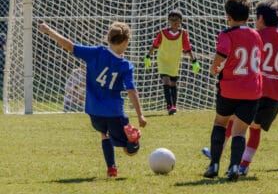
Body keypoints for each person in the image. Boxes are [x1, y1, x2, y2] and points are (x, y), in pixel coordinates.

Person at [202, 0, 278, 175]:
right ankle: (243, 165)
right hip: (274, 96)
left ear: (259, 18)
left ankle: (217, 154)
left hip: (255, 91)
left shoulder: (255, 36)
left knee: (231, 122)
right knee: (255, 129)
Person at [38, 21, 147, 177]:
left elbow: (69, 45)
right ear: (126, 42)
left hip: (94, 111)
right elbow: (131, 90)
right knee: (131, 150)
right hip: (115, 113)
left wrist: (49, 31)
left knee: (105, 134)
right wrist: (140, 115)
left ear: (109, 39)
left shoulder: (96, 53)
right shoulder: (126, 65)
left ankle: (112, 168)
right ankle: (131, 142)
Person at [203, 0, 263, 182]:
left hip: (229, 88)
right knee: (240, 130)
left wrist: (214, 67)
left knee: (220, 122)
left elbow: (222, 53)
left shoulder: (226, 34)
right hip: (252, 91)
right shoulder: (256, 35)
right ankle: (235, 167)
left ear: (228, 17)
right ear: (248, 17)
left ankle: (214, 164)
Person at [144, 9, 200, 115]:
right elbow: (155, 45)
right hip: (163, 60)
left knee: (173, 83)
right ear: (168, 21)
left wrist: (194, 61)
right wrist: (148, 56)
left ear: (181, 21)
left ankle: (174, 105)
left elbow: (187, 48)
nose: (174, 22)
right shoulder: (162, 33)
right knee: (166, 81)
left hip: (174, 62)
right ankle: (169, 106)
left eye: (177, 20)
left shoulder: (183, 34)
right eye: (172, 19)